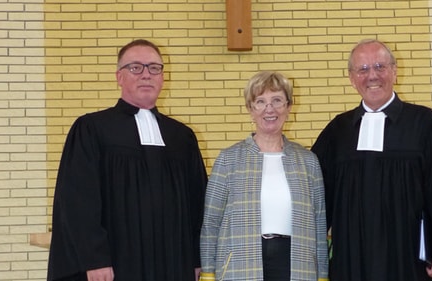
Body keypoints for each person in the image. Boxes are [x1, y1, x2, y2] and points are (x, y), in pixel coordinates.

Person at [311, 39, 432, 281]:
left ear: (394, 71)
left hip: (408, 258)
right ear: (351, 78)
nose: (372, 76)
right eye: (363, 69)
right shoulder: (338, 131)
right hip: (352, 258)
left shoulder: (424, 123)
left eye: (380, 66)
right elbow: (315, 194)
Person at [47, 39, 208, 281]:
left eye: (154, 68)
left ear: (163, 77)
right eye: (136, 67)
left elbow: (198, 204)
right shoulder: (92, 129)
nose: (146, 75)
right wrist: (95, 258)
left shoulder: (182, 136)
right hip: (115, 264)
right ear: (119, 76)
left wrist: (197, 259)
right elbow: (77, 201)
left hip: (174, 260)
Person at [199, 71, 329, 281]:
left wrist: (322, 275)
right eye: (260, 102)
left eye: (277, 100)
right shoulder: (228, 160)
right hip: (241, 266)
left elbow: (319, 222)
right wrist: (208, 272)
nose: (270, 109)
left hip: (297, 265)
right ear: (250, 109)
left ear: (288, 107)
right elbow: (211, 223)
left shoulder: (308, 161)